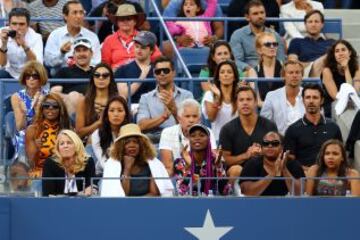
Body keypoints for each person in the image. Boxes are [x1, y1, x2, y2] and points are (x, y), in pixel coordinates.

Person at [219, 86, 277, 181]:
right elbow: (224, 160)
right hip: (239, 172)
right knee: (236, 169)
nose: (245, 103)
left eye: (249, 99)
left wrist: (262, 152)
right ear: (236, 103)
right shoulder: (227, 129)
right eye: (241, 100)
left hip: (263, 169)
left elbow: (277, 153)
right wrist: (246, 155)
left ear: (255, 103)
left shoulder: (269, 126)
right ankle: (232, 195)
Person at [100, 123, 174, 197]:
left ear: (142, 145)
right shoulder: (112, 165)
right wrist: (127, 169)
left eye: (135, 142)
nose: (132, 145)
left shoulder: (153, 164)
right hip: (122, 207)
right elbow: (120, 196)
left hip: (147, 205)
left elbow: (154, 194)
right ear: (121, 146)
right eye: (127, 142)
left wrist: (136, 204)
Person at [284, 84, 342, 172]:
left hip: (329, 176)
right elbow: (289, 160)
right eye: (308, 97)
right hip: (302, 176)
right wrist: (309, 171)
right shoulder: (293, 129)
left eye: (315, 97)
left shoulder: (333, 127)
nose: (311, 101)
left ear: (321, 100)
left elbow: (340, 155)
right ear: (303, 101)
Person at [137, 56, 193, 144]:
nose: (162, 74)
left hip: (179, 136)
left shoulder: (187, 95)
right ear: (154, 74)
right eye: (158, 71)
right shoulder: (145, 98)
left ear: (174, 73)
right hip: (155, 138)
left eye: (166, 70)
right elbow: (141, 125)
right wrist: (164, 116)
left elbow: (190, 125)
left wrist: (174, 110)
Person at [159, 99, 217, 176]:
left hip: (203, 174)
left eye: (195, 116)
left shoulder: (207, 132)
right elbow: (168, 167)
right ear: (179, 119)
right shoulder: (167, 132)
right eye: (187, 116)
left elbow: (212, 160)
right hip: (176, 175)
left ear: (199, 120)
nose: (191, 120)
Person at [44, 0, 101, 75]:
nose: (79, 16)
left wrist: (77, 63)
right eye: (74, 13)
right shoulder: (55, 35)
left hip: (85, 77)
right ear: (65, 16)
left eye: (81, 13)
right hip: (62, 78)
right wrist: (61, 53)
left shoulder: (92, 36)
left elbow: (96, 62)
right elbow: (48, 62)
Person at [240, 131, 305, 196]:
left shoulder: (293, 164)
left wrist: (284, 169)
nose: (270, 146)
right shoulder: (252, 164)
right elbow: (247, 192)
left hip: (286, 204)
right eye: (266, 143)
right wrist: (272, 174)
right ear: (262, 147)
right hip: (258, 204)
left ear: (282, 147)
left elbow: (299, 193)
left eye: (275, 143)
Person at [174, 124, 230, 196]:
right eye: (193, 136)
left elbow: (224, 192)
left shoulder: (216, 161)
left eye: (202, 135)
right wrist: (190, 165)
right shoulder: (179, 163)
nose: (197, 138)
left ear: (209, 140)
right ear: (189, 140)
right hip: (189, 204)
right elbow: (181, 193)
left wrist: (218, 167)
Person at [230, 0, 286, 73]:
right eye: (255, 14)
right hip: (247, 73)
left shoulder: (274, 35)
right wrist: (250, 70)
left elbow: (281, 60)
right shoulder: (238, 35)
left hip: (271, 72)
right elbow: (237, 61)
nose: (260, 16)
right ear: (247, 17)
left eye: (262, 13)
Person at [101, 3, 162, 69]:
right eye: (121, 19)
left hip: (142, 75)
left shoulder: (145, 37)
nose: (125, 21)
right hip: (118, 76)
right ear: (117, 22)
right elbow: (105, 65)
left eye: (128, 19)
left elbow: (157, 58)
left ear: (135, 21)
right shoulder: (109, 40)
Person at [25, 93, 71, 178]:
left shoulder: (68, 131)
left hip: (62, 173)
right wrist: (36, 149)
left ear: (61, 109)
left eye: (55, 106)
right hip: (39, 173)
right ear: (42, 109)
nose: (50, 108)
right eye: (46, 106)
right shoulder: (33, 130)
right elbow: (30, 163)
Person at [11, 61, 49, 163]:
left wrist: (38, 109)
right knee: (24, 136)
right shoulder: (17, 97)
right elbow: (20, 127)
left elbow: (47, 123)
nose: (31, 79)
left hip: (43, 131)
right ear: (24, 78)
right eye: (28, 76)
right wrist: (23, 113)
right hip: (24, 133)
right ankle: (24, 168)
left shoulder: (48, 97)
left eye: (35, 76)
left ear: (41, 78)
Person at [42, 129, 96, 196]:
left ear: (76, 145)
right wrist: (79, 194)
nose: (65, 146)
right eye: (62, 144)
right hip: (57, 205)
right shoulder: (50, 163)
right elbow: (48, 194)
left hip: (83, 204)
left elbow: (91, 190)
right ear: (58, 148)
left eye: (69, 143)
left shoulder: (87, 162)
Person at [76, 63, 119, 144]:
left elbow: (124, 127)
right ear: (93, 78)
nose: (101, 78)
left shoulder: (118, 100)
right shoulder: (84, 101)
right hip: (89, 142)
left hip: (114, 140)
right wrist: (98, 123)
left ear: (111, 79)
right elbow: (79, 133)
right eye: (97, 75)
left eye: (105, 75)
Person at [260, 60, 305, 135]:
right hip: (281, 141)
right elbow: (264, 123)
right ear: (283, 76)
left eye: (297, 72)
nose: (294, 75)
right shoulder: (272, 96)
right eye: (291, 73)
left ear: (302, 76)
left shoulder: (309, 95)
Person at [287, 10, 335, 77]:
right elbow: (292, 63)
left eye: (316, 21)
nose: (313, 24)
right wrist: (312, 64)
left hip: (329, 73)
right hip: (307, 73)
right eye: (310, 22)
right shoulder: (296, 42)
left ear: (322, 24)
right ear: (305, 25)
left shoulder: (331, 42)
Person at [91, 96, 131, 176]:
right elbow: (103, 161)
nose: (116, 114)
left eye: (120, 110)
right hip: (105, 173)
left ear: (125, 113)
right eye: (112, 110)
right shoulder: (97, 134)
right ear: (106, 114)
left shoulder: (131, 132)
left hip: (129, 173)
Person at [114, 31, 156, 103]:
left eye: (143, 48)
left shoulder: (158, 69)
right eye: (136, 46)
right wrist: (141, 78)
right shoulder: (122, 70)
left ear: (151, 50)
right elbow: (123, 94)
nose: (139, 50)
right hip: (131, 109)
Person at [0, 7, 43, 79]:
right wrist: (4, 45)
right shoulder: (2, 33)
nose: (17, 27)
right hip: (9, 72)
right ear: (9, 24)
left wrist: (24, 44)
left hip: (29, 73)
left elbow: (36, 64)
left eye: (21, 24)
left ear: (28, 25)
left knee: (38, 73)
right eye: (14, 24)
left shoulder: (36, 37)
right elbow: (2, 64)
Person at [202, 60, 239, 141]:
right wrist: (218, 97)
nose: (225, 74)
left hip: (237, 140)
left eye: (229, 72)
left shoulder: (240, 95)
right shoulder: (209, 95)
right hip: (218, 140)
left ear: (234, 77)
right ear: (218, 77)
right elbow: (212, 118)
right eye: (222, 72)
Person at [322, 39, 360, 117]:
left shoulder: (357, 68)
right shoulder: (327, 71)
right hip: (332, 107)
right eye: (337, 51)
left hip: (352, 104)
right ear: (334, 55)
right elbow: (336, 97)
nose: (340, 53)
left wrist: (346, 69)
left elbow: (352, 93)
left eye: (343, 50)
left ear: (349, 53)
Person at [254, 32, 284, 103]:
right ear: (259, 50)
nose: (272, 47)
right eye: (267, 44)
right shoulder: (254, 71)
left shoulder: (285, 68)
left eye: (275, 44)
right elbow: (257, 101)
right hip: (262, 111)